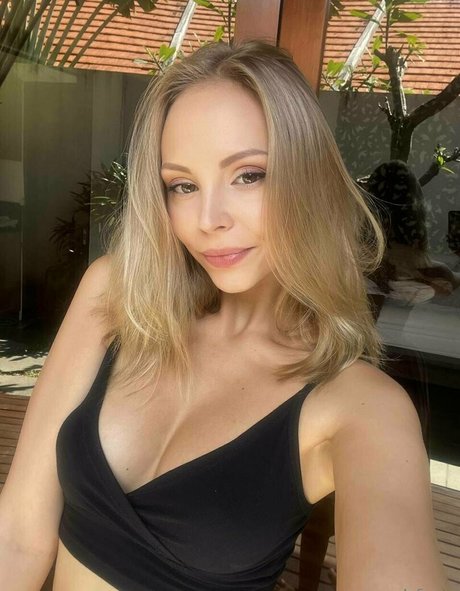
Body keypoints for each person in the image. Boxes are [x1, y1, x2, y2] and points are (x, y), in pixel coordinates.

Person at [0, 39, 449, 591]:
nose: (208, 219)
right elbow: (17, 535)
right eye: (183, 185)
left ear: (309, 178)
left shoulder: (361, 407)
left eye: (249, 175)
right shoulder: (115, 295)